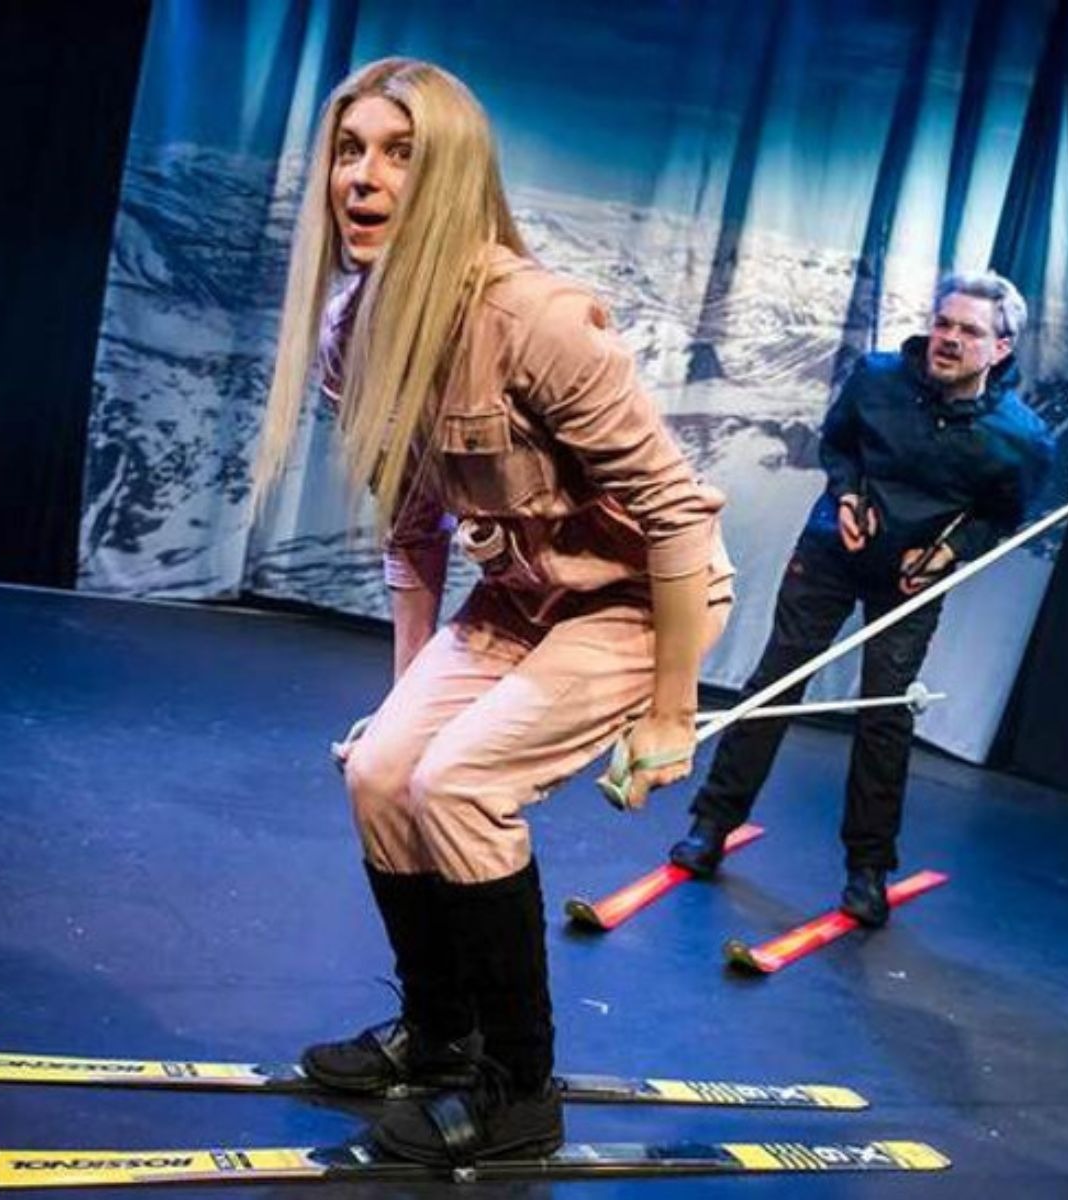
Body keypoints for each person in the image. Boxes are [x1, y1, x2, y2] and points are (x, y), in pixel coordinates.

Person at [253, 59, 733, 1166]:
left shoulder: (535, 320)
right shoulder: (354, 330)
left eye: (400, 153)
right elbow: (413, 523)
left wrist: (670, 716)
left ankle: (518, 1087)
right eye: (349, 149)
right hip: (519, 596)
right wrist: (400, 700)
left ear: (455, 176)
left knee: (460, 784)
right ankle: (437, 1035)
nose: (362, 179)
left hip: (636, 603)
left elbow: (675, 514)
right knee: (384, 772)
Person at [669, 271, 1055, 926]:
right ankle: (712, 824)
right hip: (833, 548)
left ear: (1002, 349)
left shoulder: (1021, 439)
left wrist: (951, 553)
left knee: (885, 712)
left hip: (911, 579)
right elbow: (839, 443)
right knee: (776, 681)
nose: (949, 339)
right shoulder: (877, 377)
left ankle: (868, 868)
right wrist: (846, 494)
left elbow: (1001, 517)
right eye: (944, 323)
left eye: (969, 331)